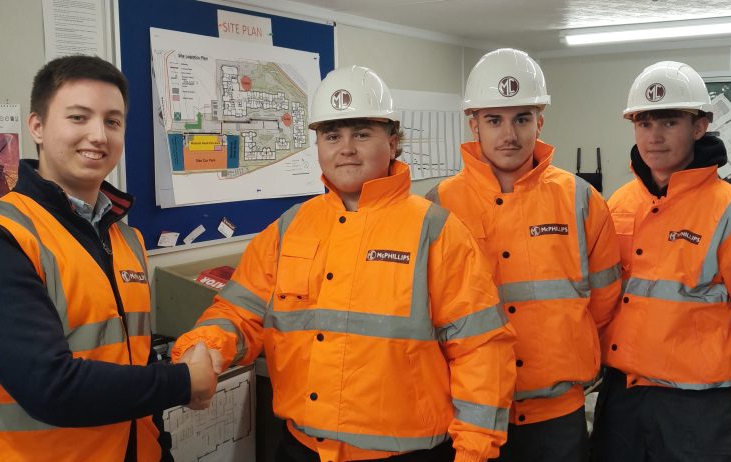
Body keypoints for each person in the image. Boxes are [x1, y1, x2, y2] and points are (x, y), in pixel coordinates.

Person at [171, 65, 518, 462]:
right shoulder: (290, 228)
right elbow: (239, 310)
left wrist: (474, 451)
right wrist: (206, 346)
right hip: (302, 449)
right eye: (332, 136)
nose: (346, 148)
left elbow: (481, 349)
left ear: (393, 142)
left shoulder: (436, 231)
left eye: (362, 134)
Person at [0, 55, 218, 461]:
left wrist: (159, 449)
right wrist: (184, 382)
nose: (98, 135)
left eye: (113, 121)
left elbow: (137, 359)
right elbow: (50, 387)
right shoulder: (1, 236)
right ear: (36, 126)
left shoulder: (127, 238)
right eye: (78, 117)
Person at [426, 48, 621, 462]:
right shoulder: (439, 205)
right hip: (468, 413)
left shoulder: (581, 200)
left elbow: (604, 305)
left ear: (540, 121)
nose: (509, 135)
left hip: (557, 415)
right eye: (494, 120)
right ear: (474, 124)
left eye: (521, 119)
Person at [590, 61, 731, 461]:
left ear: (699, 127)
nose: (655, 137)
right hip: (623, 396)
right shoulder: (618, 203)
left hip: (698, 403)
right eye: (644, 123)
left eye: (669, 122)